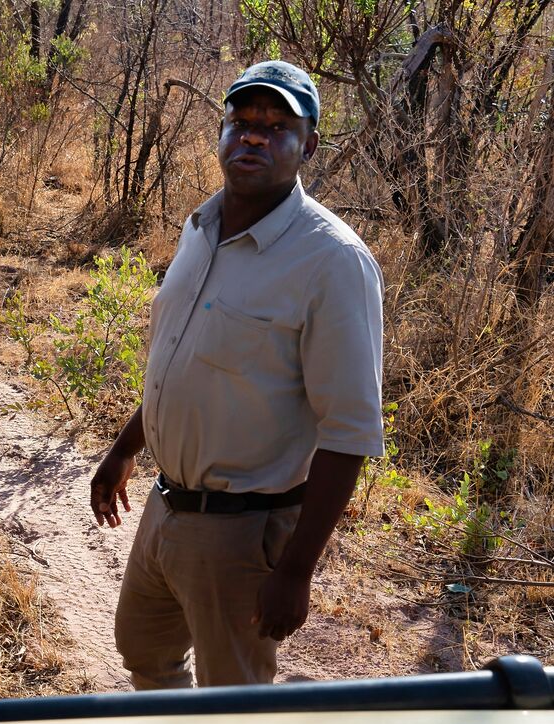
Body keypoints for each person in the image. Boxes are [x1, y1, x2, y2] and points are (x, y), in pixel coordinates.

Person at [89, 61, 384, 689]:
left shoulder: (331, 261)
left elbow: (349, 430)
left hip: (243, 531)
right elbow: (182, 362)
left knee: (233, 707)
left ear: (309, 145)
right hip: (165, 507)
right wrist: (124, 449)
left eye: (277, 126)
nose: (253, 135)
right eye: (242, 121)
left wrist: (296, 571)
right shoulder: (202, 227)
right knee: (143, 651)